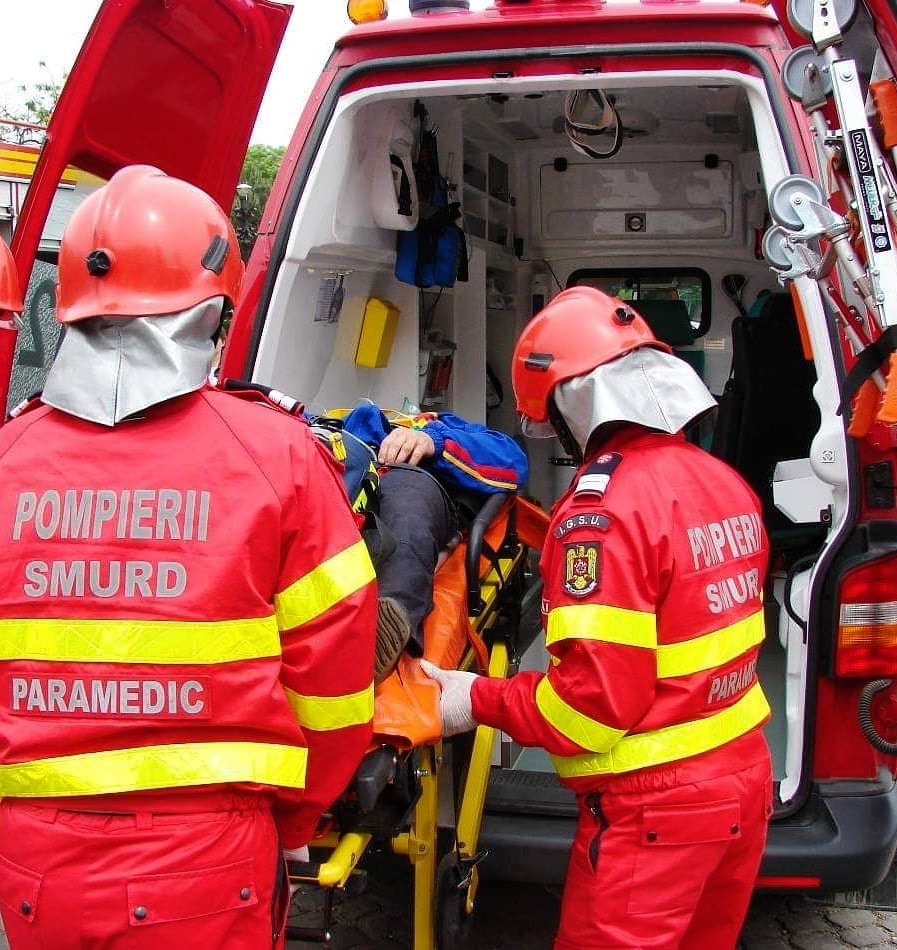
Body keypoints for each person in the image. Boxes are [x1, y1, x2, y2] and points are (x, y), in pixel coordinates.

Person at [0, 167, 377, 948]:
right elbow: (336, 681)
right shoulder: (276, 454)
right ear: (211, 308)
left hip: (33, 865)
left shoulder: (10, 457)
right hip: (206, 861)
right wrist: (298, 817)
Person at [423, 285, 773, 950]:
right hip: (742, 780)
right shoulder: (721, 481)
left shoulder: (600, 516)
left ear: (568, 406)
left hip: (656, 810)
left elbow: (590, 710)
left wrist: (474, 699)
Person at [341, 400, 528, 680]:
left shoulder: (439, 426)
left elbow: (512, 460)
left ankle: (388, 622)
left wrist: (433, 441)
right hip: (344, 473)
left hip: (407, 480)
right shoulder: (330, 422)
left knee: (406, 513)